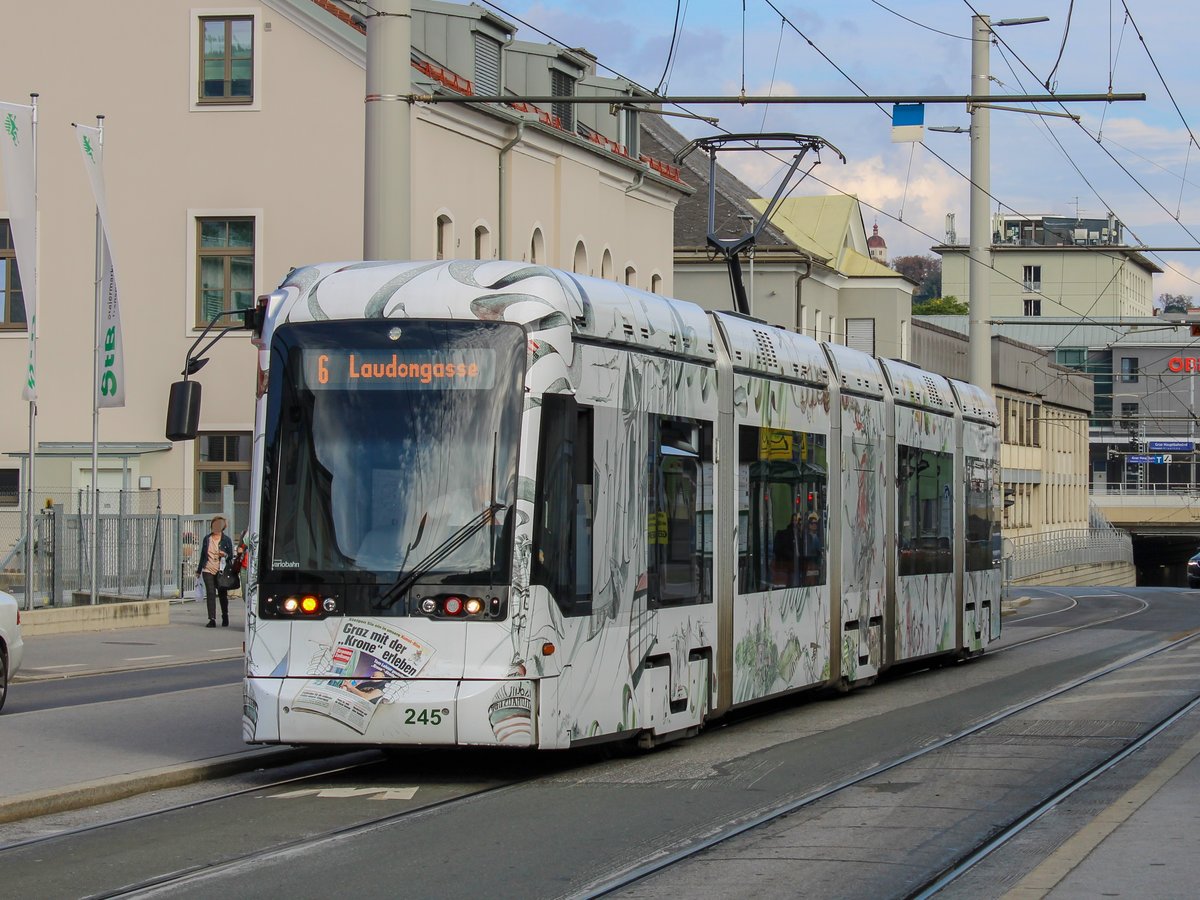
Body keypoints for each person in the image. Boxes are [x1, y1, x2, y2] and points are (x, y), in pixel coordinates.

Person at [197, 515, 234, 627]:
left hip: (221, 570)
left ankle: (225, 615)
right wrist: (199, 570)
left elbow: (231, 555)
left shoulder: (226, 540)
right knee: (211, 593)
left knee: (222, 594)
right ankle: (212, 619)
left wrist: (224, 555)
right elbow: (203, 555)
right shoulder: (207, 539)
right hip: (208, 568)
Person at [801, 512, 823, 586]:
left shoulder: (818, 536)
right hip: (809, 562)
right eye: (812, 523)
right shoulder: (807, 537)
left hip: (816, 563)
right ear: (809, 525)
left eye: (816, 523)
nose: (814, 525)